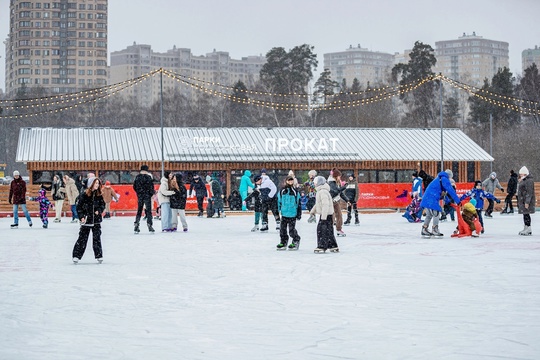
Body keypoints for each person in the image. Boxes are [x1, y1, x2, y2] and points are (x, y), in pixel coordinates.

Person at [72, 177, 105, 264]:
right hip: (87, 220)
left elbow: (103, 205)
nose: (97, 185)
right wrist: (82, 216)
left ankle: (99, 255)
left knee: (97, 238)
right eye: (95, 183)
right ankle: (76, 255)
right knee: (82, 238)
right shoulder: (84, 195)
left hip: (96, 220)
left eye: (98, 183)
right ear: (91, 184)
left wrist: (99, 210)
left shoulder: (99, 195)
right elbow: (79, 207)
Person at [419, 169, 461, 237]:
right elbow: (450, 190)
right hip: (431, 198)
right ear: (449, 176)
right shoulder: (444, 179)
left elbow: (443, 194)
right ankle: (435, 229)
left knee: (429, 215)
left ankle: (424, 229)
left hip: (427, 197)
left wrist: (448, 202)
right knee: (436, 213)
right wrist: (458, 201)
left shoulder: (439, 179)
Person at [309, 176, 339, 253]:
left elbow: (325, 204)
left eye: (315, 182)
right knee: (328, 230)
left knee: (321, 230)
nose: (314, 184)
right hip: (326, 215)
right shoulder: (321, 191)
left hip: (325, 215)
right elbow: (318, 204)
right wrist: (313, 211)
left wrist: (323, 217)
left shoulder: (322, 192)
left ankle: (322, 246)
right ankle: (333, 245)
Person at [276, 175, 302, 250]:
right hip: (284, 214)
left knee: (291, 230)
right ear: (286, 181)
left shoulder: (295, 192)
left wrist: (298, 214)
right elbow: (278, 202)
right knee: (282, 230)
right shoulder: (282, 191)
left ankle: (296, 240)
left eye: (291, 180)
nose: (290, 182)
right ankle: (283, 242)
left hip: (292, 214)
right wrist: (277, 212)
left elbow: (298, 203)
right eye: (289, 180)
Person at [133, 165, 156, 233]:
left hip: (140, 196)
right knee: (148, 211)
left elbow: (134, 186)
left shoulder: (137, 177)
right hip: (147, 196)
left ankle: (136, 224)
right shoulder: (148, 177)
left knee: (139, 210)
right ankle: (149, 225)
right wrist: (150, 194)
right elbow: (151, 187)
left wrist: (138, 192)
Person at [328, 168, 349, 237]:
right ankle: (329, 230)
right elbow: (336, 191)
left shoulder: (337, 182)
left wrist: (347, 200)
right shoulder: (331, 182)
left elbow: (340, 193)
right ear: (335, 176)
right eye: (339, 176)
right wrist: (344, 187)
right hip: (331, 201)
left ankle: (339, 229)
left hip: (336, 201)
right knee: (332, 216)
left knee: (339, 215)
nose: (340, 177)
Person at [517, 166, 535, 236]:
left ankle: (528, 228)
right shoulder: (524, 180)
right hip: (523, 200)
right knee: (525, 214)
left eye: (522, 174)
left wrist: (527, 202)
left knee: (527, 214)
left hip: (526, 200)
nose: (520, 175)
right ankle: (526, 227)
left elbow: (529, 192)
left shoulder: (529, 181)